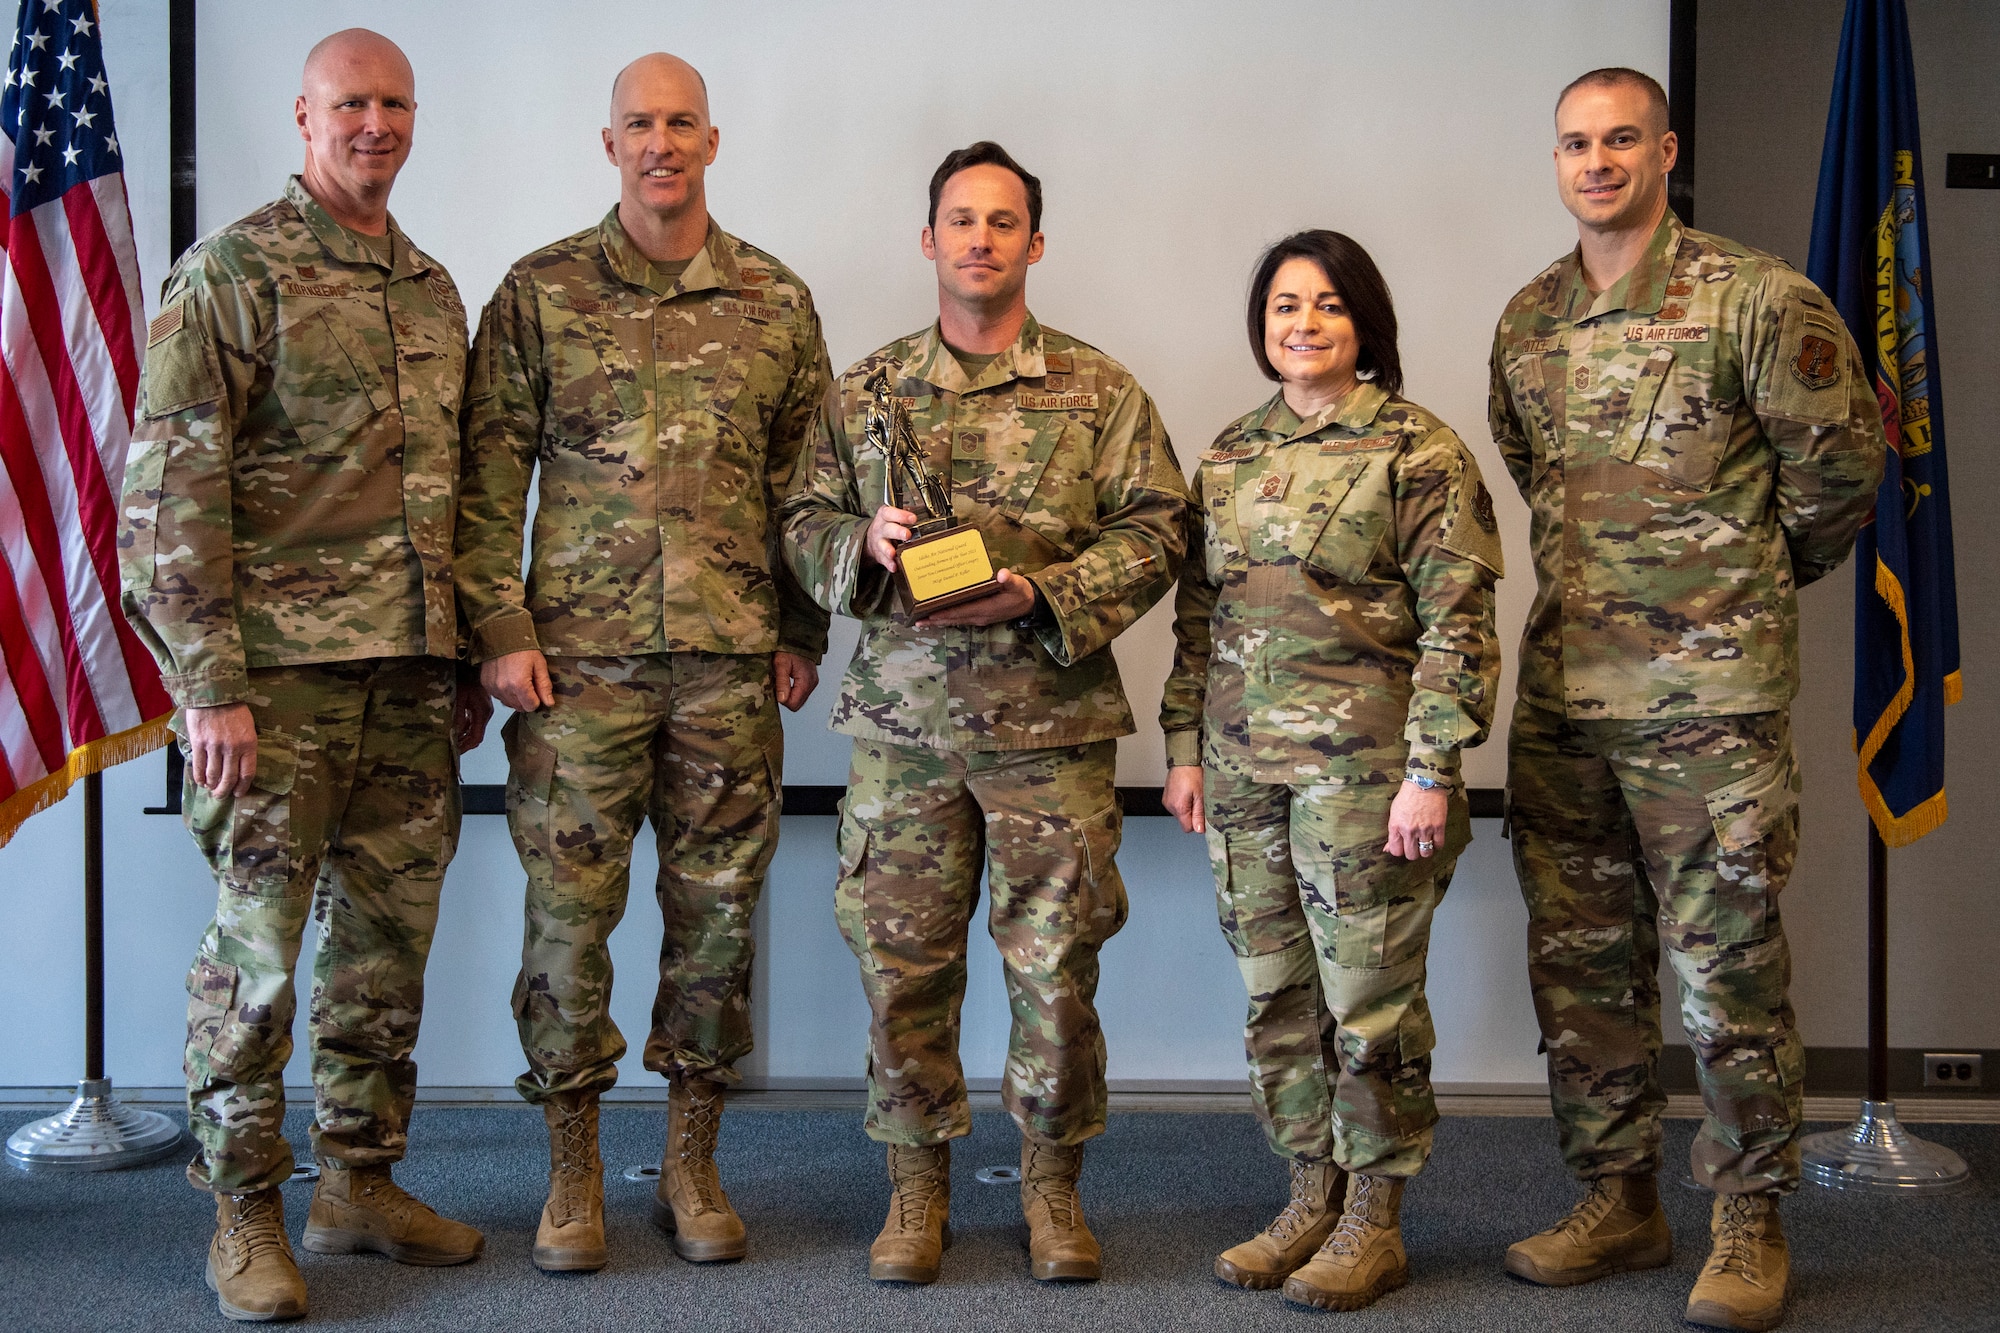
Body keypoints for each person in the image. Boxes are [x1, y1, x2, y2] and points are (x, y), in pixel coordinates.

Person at [1490, 68, 1886, 1333]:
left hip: (1706, 703)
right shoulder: (1528, 317)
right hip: (1562, 695)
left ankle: (1745, 1217)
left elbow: (1833, 480)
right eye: (1573, 143)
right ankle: (1617, 1198)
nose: (1594, 161)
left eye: (1618, 140)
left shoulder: (1756, 299)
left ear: (1666, 149)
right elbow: (1530, 470)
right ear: (1553, 159)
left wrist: (1733, 593)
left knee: (1725, 969)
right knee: (1581, 968)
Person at [119, 29, 488, 1322]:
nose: (373, 124)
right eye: (350, 103)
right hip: (271, 689)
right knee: (258, 957)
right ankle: (242, 1211)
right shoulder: (232, 271)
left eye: (394, 101)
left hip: (406, 679)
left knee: (385, 951)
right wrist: (206, 680)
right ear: (303, 116)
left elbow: (450, 491)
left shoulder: (433, 289)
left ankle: (358, 1182)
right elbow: (167, 493)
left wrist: (455, 650)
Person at [779, 141, 1188, 1287]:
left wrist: (1048, 591)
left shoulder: (1098, 391)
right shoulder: (863, 391)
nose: (979, 239)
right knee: (901, 967)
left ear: (1034, 244)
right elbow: (800, 520)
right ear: (927, 240)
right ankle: (915, 1190)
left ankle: (1052, 1188)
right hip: (904, 736)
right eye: (959, 219)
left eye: (1002, 222)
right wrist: (856, 543)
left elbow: (1159, 528)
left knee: (1054, 970)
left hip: (1047, 734)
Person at [455, 53, 831, 1274]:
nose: (659, 143)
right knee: (570, 920)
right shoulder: (539, 291)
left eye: (680, 123)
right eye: (638, 124)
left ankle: (690, 1158)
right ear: (605, 142)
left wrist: (800, 626)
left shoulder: (774, 298)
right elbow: (484, 478)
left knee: (716, 919)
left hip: (726, 664)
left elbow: (805, 487)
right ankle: (571, 1168)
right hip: (577, 673)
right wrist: (500, 631)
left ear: (711, 142)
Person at [1161, 232, 1503, 1311]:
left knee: (1368, 1005)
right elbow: (1199, 618)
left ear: (1363, 321)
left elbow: (1459, 625)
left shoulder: (1417, 450)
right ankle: (1308, 1191)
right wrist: (1183, 749)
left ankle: (1373, 1217)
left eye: (1324, 305)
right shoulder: (1226, 453)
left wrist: (1431, 771)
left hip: (1366, 779)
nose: (1300, 324)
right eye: (1280, 306)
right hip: (1243, 772)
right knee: (1276, 996)